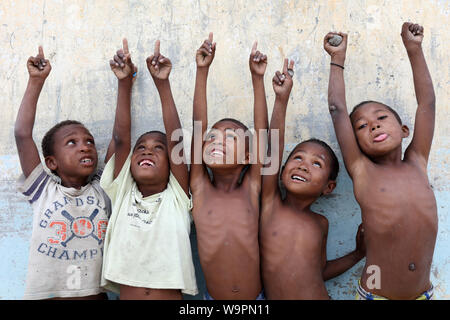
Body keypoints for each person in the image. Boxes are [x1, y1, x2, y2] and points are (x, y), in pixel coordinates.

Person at [324, 22, 437, 300]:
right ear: (356, 144)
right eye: (361, 126)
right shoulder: (362, 171)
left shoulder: (417, 161)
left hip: (424, 295)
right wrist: (337, 59)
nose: (373, 126)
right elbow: (338, 110)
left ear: (404, 131)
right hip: (378, 295)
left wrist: (414, 50)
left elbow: (427, 105)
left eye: (381, 118)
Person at [100, 39, 197, 299]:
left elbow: (175, 138)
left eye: (158, 148)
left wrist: (162, 84)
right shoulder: (122, 192)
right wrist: (124, 83)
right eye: (140, 147)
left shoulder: (177, 197)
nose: (146, 151)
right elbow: (121, 139)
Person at [260, 59, 365, 299]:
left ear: (329, 187)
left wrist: (358, 254)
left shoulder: (320, 223)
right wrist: (281, 100)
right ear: (283, 168)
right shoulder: (271, 205)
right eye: (298, 158)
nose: (304, 166)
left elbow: (320, 272)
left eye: (317, 163)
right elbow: (273, 151)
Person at [15, 46, 111, 300]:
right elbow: (22, 135)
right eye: (72, 143)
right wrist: (36, 81)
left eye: (89, 141)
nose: (85, 147)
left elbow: (120, 141)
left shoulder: (103, 187)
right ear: (51, 162)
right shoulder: (43, 191)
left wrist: (124, 85)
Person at [190, 33, 268, 299]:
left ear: (249, 156)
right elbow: (198, 124)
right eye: (212, 137)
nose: (216, 141)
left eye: (230, 138)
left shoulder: (252, 187)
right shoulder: (199, 189)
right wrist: (202, 71)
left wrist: (258, 80)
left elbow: (262, 131)